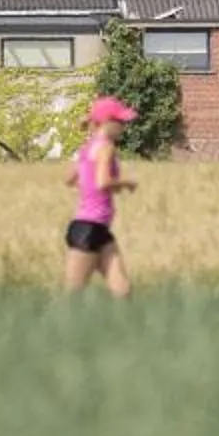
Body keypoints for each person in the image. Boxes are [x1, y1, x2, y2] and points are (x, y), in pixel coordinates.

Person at [64, 95, 139, 296]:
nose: (123, 126)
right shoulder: (106, 147)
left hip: (99, 230)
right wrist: (126, 183)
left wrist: (87, 187)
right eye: (120, 121)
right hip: (88, 229)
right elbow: (103, 181)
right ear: (107, 122)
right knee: (72, 296)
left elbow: (70, 179)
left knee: (123, 291)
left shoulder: (87, 147)